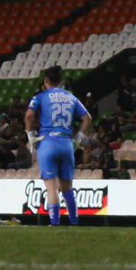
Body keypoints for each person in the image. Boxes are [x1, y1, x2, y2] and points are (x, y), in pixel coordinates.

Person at [25, 65, 93, 227]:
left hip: (48, 142)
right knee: (67, 187)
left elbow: (28, 116)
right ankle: (74, 222)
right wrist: (78, 139)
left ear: (46, 81)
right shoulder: (71, 97)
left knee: (51, 187)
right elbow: (87, 119)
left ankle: (55, 223)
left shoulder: (40, 96)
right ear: (60, 81)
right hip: (66, 143)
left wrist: (31, 137)